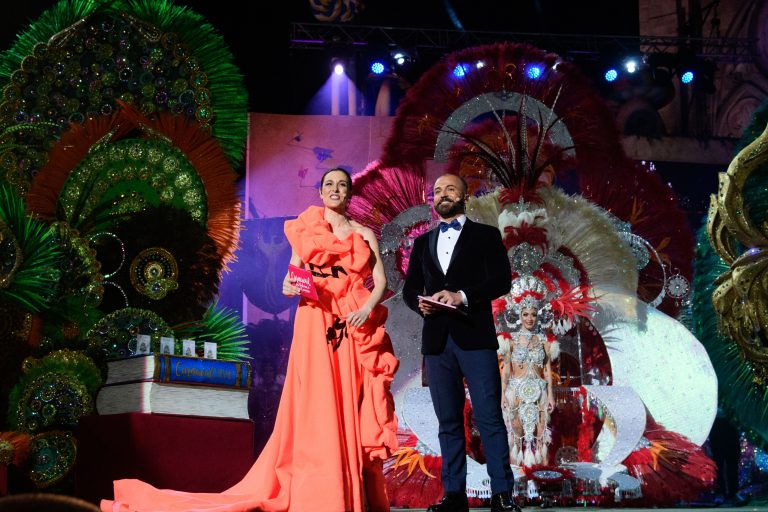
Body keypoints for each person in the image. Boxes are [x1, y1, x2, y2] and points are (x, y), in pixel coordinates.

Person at [101, 168, 399, 512]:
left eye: (341, 185)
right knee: (318, 398)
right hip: (315, 317)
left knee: (349, 396)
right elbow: (293, 272)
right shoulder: (305, 229)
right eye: (329, 184)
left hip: (351, 320)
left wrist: (367, 308)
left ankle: (349, 486)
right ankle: (322, 488)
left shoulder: (363, 234)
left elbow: (380, 280)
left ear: (349, 193)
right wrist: (290, 285)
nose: (335, 190)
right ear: (320, 192)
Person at [402, 173, 520, 512]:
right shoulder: (423, 242)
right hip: (437, 341)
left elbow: (501, 280)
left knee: (488, 416)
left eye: (450, 188)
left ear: (464, 195)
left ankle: (502, 495)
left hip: (475, 337)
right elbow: (411, 288)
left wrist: (462, 296)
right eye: (437, 191)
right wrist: (420, 303)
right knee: (448, 421)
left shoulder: (485, 235)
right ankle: (454, 495)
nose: (443, 194)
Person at [499, 305, 555, 467]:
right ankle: (516, 484)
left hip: (539, 393)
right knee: (516, 436)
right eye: (525, 314)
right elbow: (507, 370)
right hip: (515, 392)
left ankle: (542, 481)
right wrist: (503, 394)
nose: (529, 318)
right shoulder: (510, 340)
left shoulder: (544, 341)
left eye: (533, 314)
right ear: (519, 315)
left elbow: (547, 369)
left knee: (541, 436)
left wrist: (550, 394)